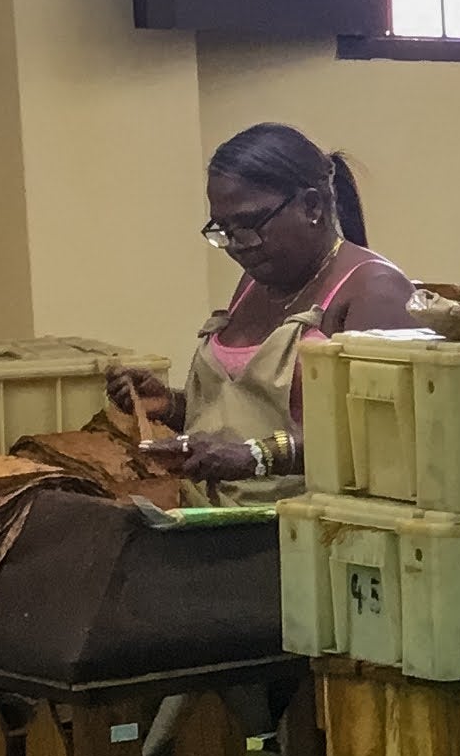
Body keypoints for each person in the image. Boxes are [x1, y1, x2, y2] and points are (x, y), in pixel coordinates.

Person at [107, 124, 413, 502]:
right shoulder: (255, 282)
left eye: (250, 224)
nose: (238, 246)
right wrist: (170, 406)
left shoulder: (374, 290)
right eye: (224, 229)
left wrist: (258, 457)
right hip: (219, 514)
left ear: (311, 206)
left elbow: (384, 440)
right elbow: (248, 412)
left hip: (311, 526)